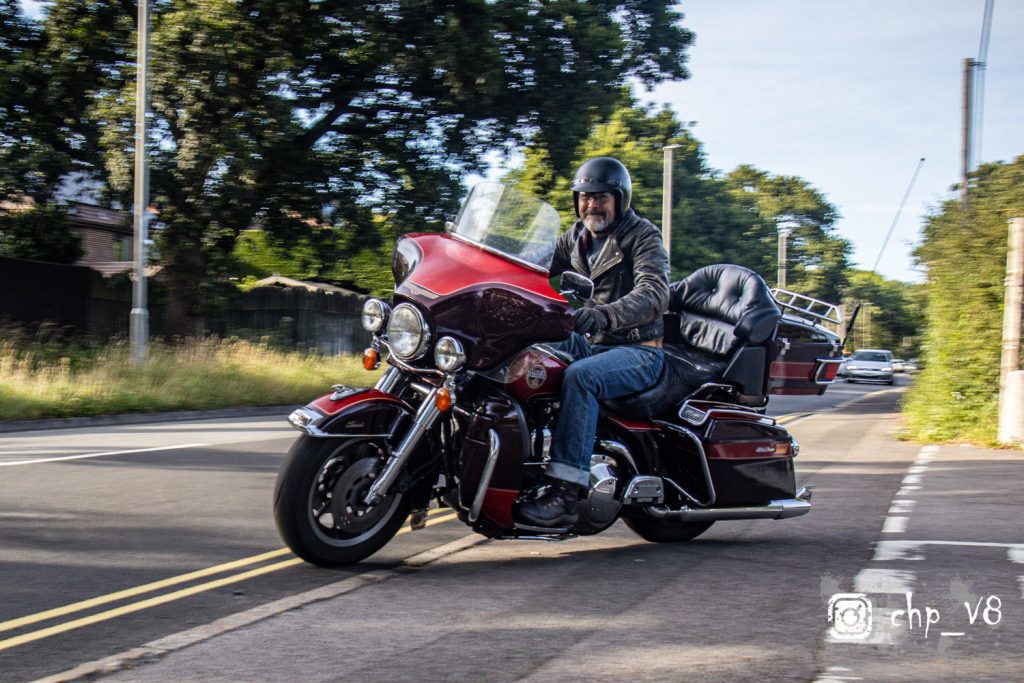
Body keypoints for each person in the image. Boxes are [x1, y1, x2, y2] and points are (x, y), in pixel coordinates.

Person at [515, 156, 670, 527]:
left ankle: (566, 492)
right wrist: (492, 272)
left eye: (600, 196)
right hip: (593, 344)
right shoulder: (575, 238)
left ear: (619, 199)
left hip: (637, 351)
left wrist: (604, 314)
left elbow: (654, 293)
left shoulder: (642, 236)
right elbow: (527, 266)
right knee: (524, 353)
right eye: (584, 196)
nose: (591, 204)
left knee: (580, 377)